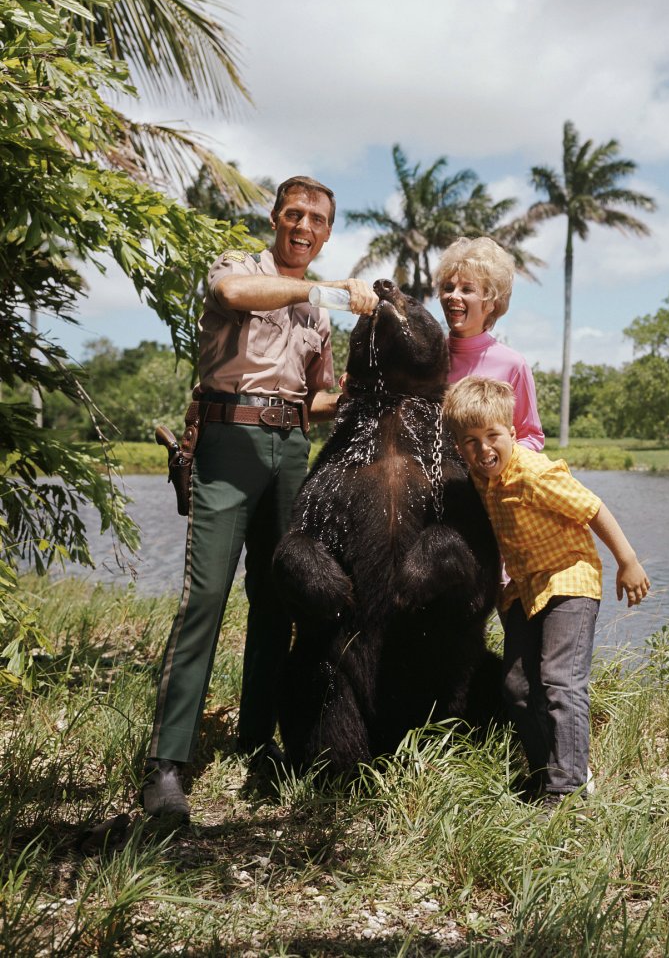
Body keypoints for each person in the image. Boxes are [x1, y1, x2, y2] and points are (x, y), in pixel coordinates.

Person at [142, 175, 378, 820]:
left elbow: (317, 397)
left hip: (290, 451)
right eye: (294, 214)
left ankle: (257, 739)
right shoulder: (241, 267)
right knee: (206, 598)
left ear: (328, 232)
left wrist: (368, 389)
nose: (303, 227)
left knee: (279, 597)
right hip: (227, 441)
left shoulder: (320, 312)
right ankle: (168, 762)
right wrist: (322, 288)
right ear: (275, 217)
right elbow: (230, 295)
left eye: (317, 220)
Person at [441, 376, 650, 807]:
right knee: (517, 685)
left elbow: (592, 507)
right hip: (525, 588)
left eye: (493, 436)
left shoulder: (536, 473)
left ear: (513, 432)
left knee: (560, 681)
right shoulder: (480, 479)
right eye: (470, 441)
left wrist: (627, 561)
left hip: (569, 578)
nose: (483, 451)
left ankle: (568, 789)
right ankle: (547, 773)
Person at [436, 237, 544, 451]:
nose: (453, 296)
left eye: (467, 290)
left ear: (492, 303)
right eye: (448, 288)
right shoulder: (427, 357)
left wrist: (493, 467)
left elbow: (531, 437)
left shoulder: (513, 364)